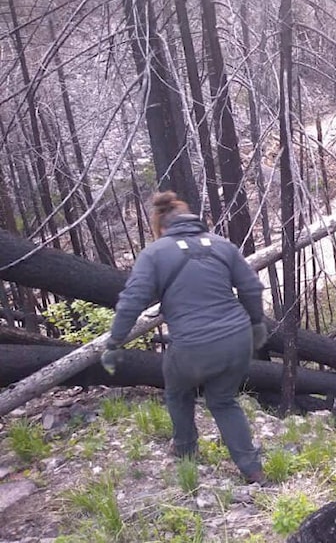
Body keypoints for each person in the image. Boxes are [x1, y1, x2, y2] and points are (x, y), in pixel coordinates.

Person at [101, 191, 268, 483]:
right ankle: (252, 469)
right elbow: (251, 288)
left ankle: (186, 449)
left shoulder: (154, 254)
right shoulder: (221, 245)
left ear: (161, 227)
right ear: (189, 219)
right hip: (237, 339)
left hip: (192, 346)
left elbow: (131, 302)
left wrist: (114, 342)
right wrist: (256, 324)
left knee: (178, 392)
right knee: (224, 400)